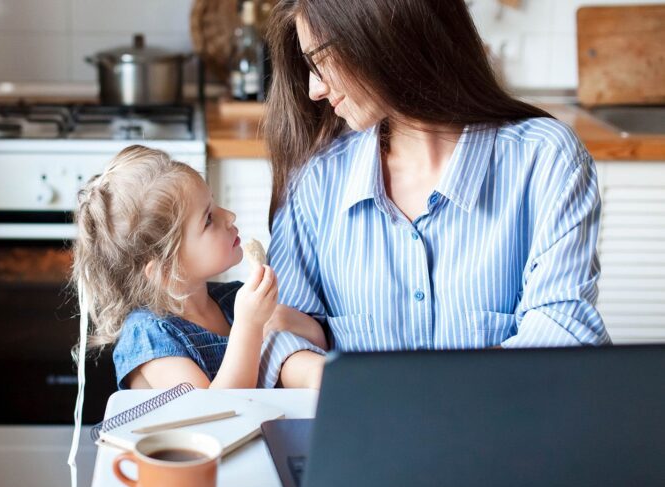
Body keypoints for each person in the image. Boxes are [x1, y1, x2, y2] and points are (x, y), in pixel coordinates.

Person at [256, 0, 610, 380]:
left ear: (384, 32)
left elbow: (562, 335)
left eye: (321, 60)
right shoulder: (315, 179)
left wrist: (397, 388)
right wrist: (373, 389)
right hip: (365, 419)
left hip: (508, 419)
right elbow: (279, 335)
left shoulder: (545, 158)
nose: (315, 89)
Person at [71, 145, 326, 391]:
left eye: (214, 203)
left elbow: (317, 342)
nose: (229, 216)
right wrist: (249, 325)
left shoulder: (232, 299)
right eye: (208, 219)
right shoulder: (149, 336)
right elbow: (212, 410)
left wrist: (285, 318)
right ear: (165, 269)